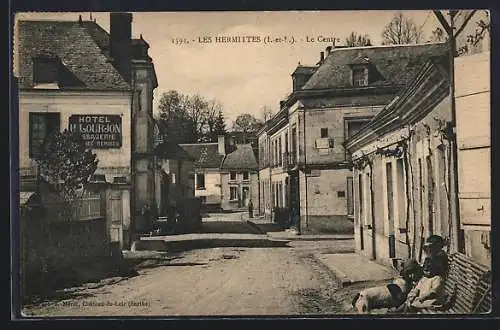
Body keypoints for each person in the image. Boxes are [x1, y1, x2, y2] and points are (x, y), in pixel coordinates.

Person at [352, 259, 422, 314]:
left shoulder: (399, 281)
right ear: (411, 274)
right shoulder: (404, 287)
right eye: (416, 272)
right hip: (365, 298)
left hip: (365, 296)